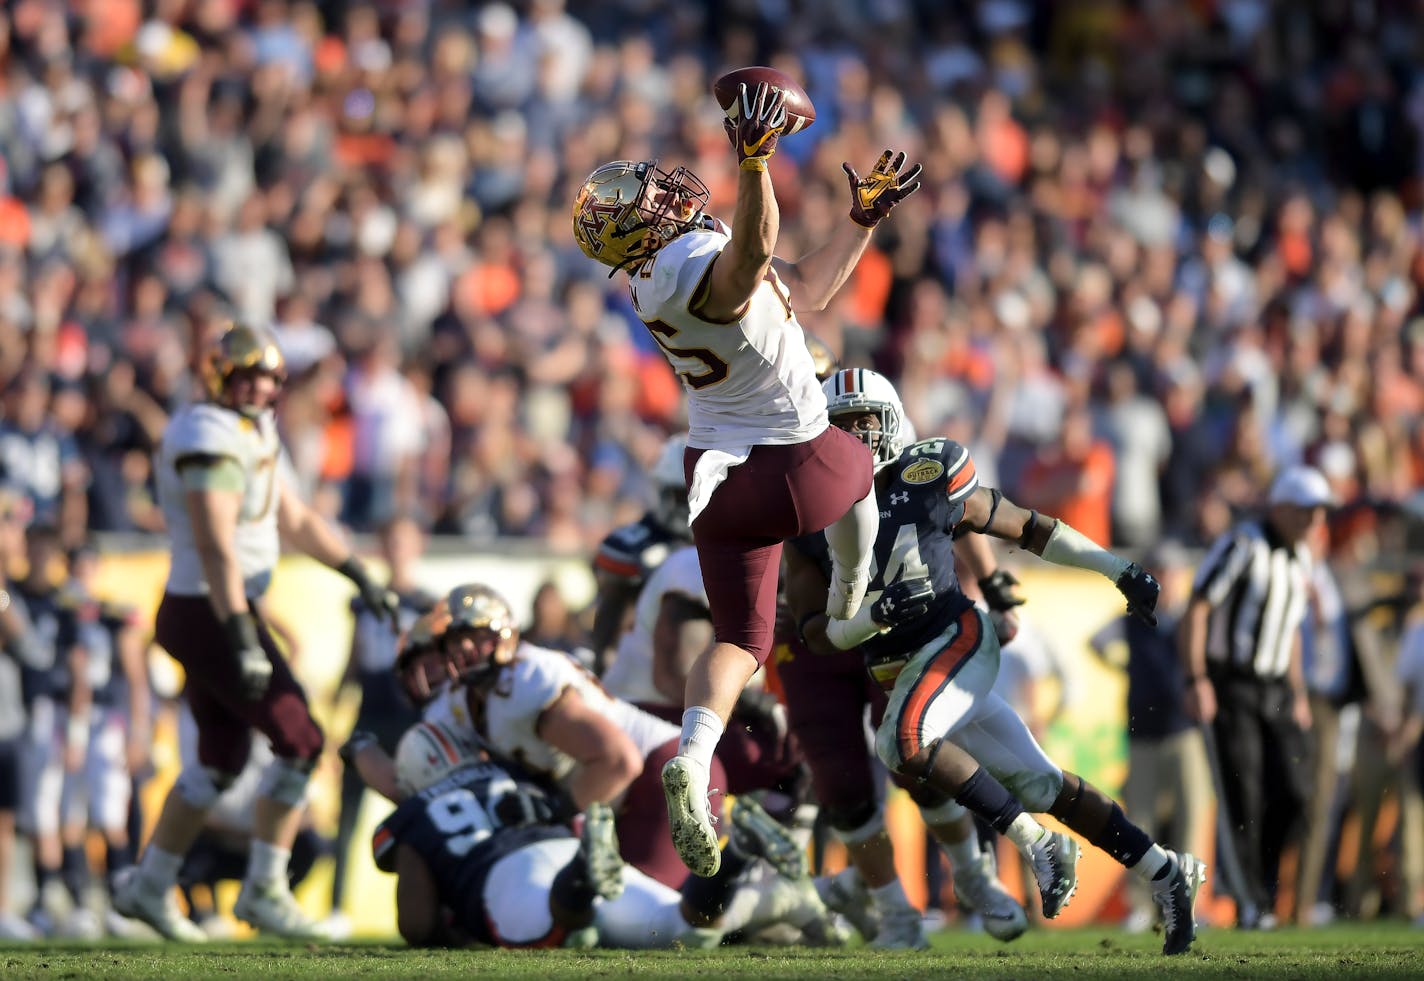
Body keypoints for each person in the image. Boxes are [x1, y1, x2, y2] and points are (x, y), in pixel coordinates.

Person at [572, 81, 922, 878]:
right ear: (637, 228)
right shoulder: (689, 261)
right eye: (642, 196)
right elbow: (751, 264)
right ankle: (846, 607)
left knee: (740, 640)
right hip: (792, 461)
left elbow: (803, 286)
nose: (660, 190)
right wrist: (755, 161)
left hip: (717, 476)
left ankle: (693, 758)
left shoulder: (653, 273)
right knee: (865, 455)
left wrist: (863, 221)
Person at [784, 367, 1207, 956]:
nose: (854, 437)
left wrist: (1118, 569)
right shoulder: (806, 514)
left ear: (891, 422)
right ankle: (1165, 872)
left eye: (863, 422)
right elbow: (813, 633)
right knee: (1042, 783)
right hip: (905, 669)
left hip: (954, 637)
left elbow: (1027, 526)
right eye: (840, 427)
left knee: (898, 743)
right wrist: (869, 621)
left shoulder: (924, 476)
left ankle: (1036, 845)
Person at [113, 323, 400, 942]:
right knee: (300, 740)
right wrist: (242, 635)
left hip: (219, 606)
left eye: (264, 379)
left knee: (220, 760)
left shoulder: (254, 428)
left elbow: (294, 516)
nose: (254, 389)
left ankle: (148, 885)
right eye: (243, 377)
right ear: (219, 376)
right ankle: (265, 890)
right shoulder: (205, 431)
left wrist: (354, 569)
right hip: (211, 608)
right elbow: (217, 545)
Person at [419, 582, 830, 941]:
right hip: (621, 790)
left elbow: (617, 760)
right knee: (637, 915)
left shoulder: (526, 679)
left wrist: (552, 811)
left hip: (655, 777)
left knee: (657, 924)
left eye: (473, 637)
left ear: (503, 633)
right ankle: (819, 893)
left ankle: (774, 892)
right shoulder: (465, 700)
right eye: (453, 643)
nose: (464, 651)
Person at [367, 719, 836, 949]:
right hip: (559, 839)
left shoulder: (415, 812)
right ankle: (734, 856)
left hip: (506, 874)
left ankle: (583, 877)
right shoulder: (513, 773)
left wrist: (457, 933)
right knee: (682, 930)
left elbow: (417, 923)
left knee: (552, 929)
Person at [1179, 464, 1327, 929]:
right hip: (1233, 682)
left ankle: (1260, 886)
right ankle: (1249, 901)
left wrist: (1298, 691)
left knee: (1296, 792)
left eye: (1320, 510)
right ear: (1281, 507)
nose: (1315, 519)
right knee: (1242, 790)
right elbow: (1198, 605)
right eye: (1306, 509)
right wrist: (1197, 677)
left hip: (1278, 687)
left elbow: (1292, 632)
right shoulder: (1242, 544)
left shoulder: (1302, 557)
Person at [1088, 541, 1210, 933]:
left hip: (1183, 730)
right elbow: (1097, 642)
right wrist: (1123, 667)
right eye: (1160, 572)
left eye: (1171, 573)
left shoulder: (1190, 617)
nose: (1166, 581)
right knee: (1141, 821)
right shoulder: (1133, 616)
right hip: (1143, 730)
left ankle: (1186, 902)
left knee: (1190, 818)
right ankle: (1139, 905)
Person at [329, 514, 436, 935]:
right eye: (390, 540)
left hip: (410, 718)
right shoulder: (364, 601)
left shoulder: (427, 605)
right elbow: (354, 656)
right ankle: (337, 907)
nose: (396, 549)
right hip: (369, 713)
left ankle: (426, 905)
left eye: (403, 540)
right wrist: (339, 700)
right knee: (347, 813)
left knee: (418, 812)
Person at [51, 543, 152, 938]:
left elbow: (136, 675)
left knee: (112, 815)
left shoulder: (112, 615)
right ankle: (79, 907)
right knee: (70, 814)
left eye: (88, 566)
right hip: (64, 716)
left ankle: (118, 905)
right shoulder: (59, 611)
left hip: (105, 720)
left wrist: (138, 729)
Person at [587, 434, 692, 674]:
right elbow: (610, 559)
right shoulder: (644, 539)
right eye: (684, 495)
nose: (694, 504)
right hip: (653, 658)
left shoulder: (738, 534)